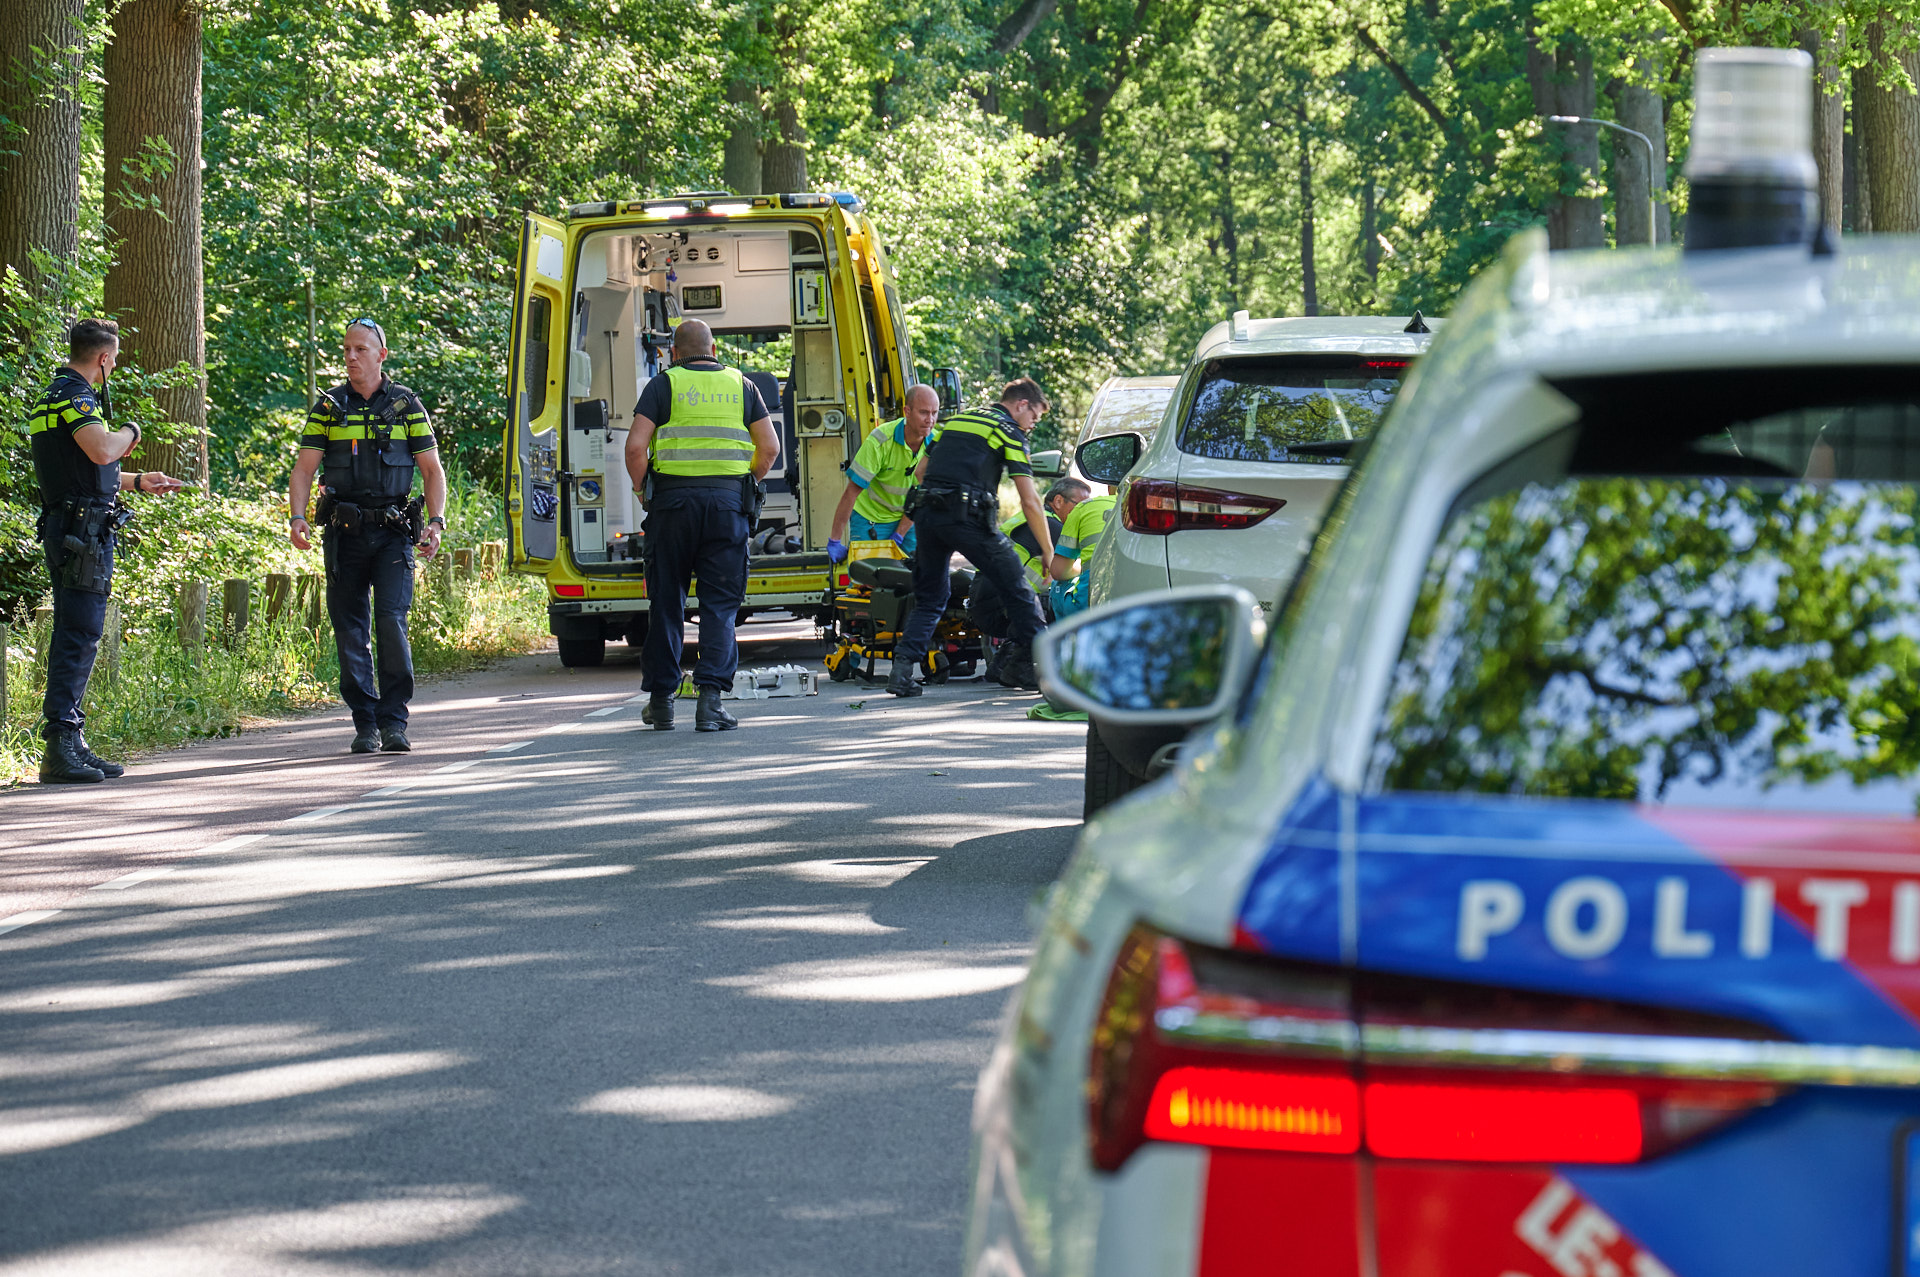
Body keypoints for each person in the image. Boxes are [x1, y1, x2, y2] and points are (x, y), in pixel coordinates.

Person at [30, 318, 186, 783]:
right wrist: (132, 432)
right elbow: (102, 450)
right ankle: (60, 745)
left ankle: (72, 740)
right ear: (102, 358)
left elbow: (81, 469)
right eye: (113, 360)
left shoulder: (57, 396)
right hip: (80, 532)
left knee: (81, 630)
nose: (113, 367)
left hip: (78, 526)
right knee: (79, 632)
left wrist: (138, 481)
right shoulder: (75, 395)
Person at [288, 318, 448, 755]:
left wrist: (436, 523)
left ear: (381, 355)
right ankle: (365, 723)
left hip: (395, 534)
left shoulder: (406, 405)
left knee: (391, 622)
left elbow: (432, 471)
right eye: (346, 350)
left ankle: (394, 721)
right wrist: (297, 517)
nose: (351, 357)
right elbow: (304, 469)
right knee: (350, 629)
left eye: (361, 349)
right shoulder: (328, 407)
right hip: (344, 534)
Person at [625, 319, 781, 732]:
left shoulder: (663, 385)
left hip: (672, 507)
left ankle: (661, 703)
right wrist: (744, 483)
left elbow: (636, 447)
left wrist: (644, 491)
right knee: (720, 607)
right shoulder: (742, 385)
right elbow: (769, 448)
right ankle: (709, 703)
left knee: (666, 601)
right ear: (713, 348)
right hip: (727, 507)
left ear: (673, 353)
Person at [887, 377, 1055, 697]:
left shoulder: (958, 420)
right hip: (967, 519)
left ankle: (902, 671)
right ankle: (1035, 669)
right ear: (1021, 405)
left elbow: (922, 472)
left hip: (927, 515)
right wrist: (1047, 549)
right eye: (1033, 417)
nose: (1031, 425)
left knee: (932, 598)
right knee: (1019, 590)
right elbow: (1030, 500)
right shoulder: (1008, 431)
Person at [968, 480, 1073, 675]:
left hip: (985, 601)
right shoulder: (1051, 525)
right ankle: (1020, 668)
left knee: (1041, 598)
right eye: (1079, 505)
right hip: (1003, 606)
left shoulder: (1028, 518)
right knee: (1066, 602)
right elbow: (1074, 567)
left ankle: (1002, 664)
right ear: (1058, 501)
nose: (1081, 511)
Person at [826, 383, 938, 561]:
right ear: (907, 411)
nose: (930, 420)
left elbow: (921, 498)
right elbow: (851, 492)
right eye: (924, 412)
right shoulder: (880, 441)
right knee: (866, 581)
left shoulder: (935, 445)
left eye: (934, 413)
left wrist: (899, 535)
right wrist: (835, 540)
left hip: (908, 517)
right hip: (871, 518)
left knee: (916, 577)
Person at [1046, 477, 1117, 619]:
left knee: (1058, 586)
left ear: (1110, 486)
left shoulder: (1085, 508)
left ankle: (1065, 634)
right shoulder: (1149, 506)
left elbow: (1058, 572)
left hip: (1090, 601)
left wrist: (1082, 564)